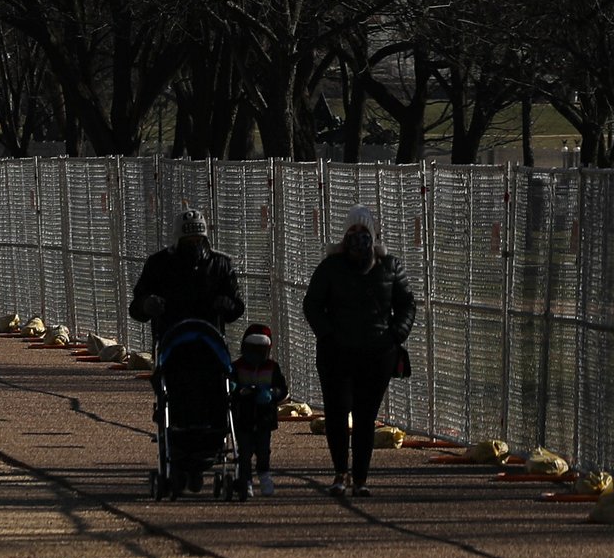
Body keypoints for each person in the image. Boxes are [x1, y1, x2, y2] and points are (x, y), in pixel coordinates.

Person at [300, 206, 414, 499]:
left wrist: (394, 335)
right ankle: (340, 472)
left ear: (374, 236)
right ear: (344, 236)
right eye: (352, 232)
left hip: (378, 354)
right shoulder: (330, 267)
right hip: (337, 354)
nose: (358, 239)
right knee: (337, 415)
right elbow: (312, 304)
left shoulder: (390, 267)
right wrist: (328, 335)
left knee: (365, 418)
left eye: (364, 233)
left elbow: (406, 305)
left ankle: (360, 478)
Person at [127, 206, 243, 347]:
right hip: (170, 343)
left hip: (209, 343)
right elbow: (136, 306)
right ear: (178, 240)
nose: (194, 246)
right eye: (188, 241)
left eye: (198, 240)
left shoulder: (220, 264)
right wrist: (146, 304)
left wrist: (227, 304)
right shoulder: (158, 264)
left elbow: (236, 305)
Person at [229, 326, 288, 496]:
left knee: (263, 451)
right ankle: (246, 481)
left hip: (264, 418)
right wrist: (236, 389)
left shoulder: (272, 367)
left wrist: (271, 394)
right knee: (244, 451)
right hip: (243, 416)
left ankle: (264, 476)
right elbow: (229, 385)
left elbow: (282, 389)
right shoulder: (236, 367)